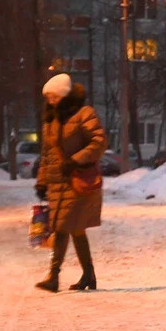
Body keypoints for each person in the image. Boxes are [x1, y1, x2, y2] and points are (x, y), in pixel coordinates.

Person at [33, 74, 107, 292]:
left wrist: (75, 160)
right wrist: (42, 181)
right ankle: (88, 275)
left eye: (53, 96)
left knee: (62, 226)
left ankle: (53, 276)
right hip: (57, 182)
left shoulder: (85, 114)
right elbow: (46, 154)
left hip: (78, 180)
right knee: (75, 229)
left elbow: (99, 142)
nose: (50, 100)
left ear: (64, 94)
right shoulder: (51, 119)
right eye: (47, 97)